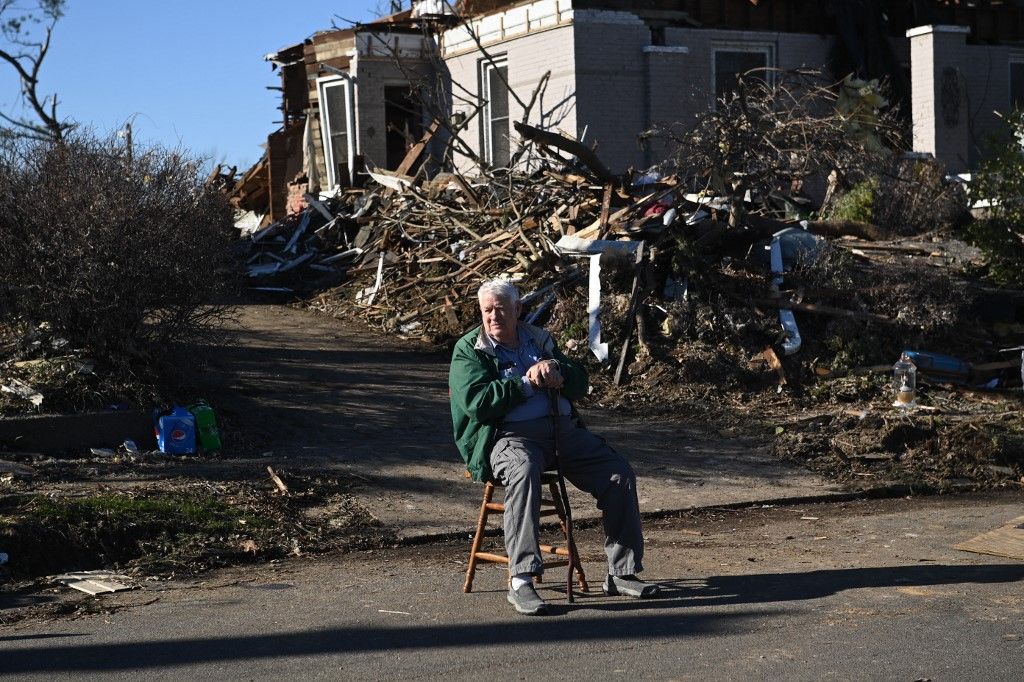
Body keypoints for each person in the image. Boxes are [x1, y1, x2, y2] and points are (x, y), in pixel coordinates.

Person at [449, 278, 659, 616]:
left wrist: (559, 370)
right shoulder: (470, 349)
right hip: (508, 438)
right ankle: (521, 580)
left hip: (563, 433)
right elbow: (477, 403)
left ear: (518, 310)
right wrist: (526, 383)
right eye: (487, 310)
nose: (493, 317)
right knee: (525, 469)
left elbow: (580, 383)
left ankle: (621, 572)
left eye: (501, 310)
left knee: (617, 473)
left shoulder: (539, 340)